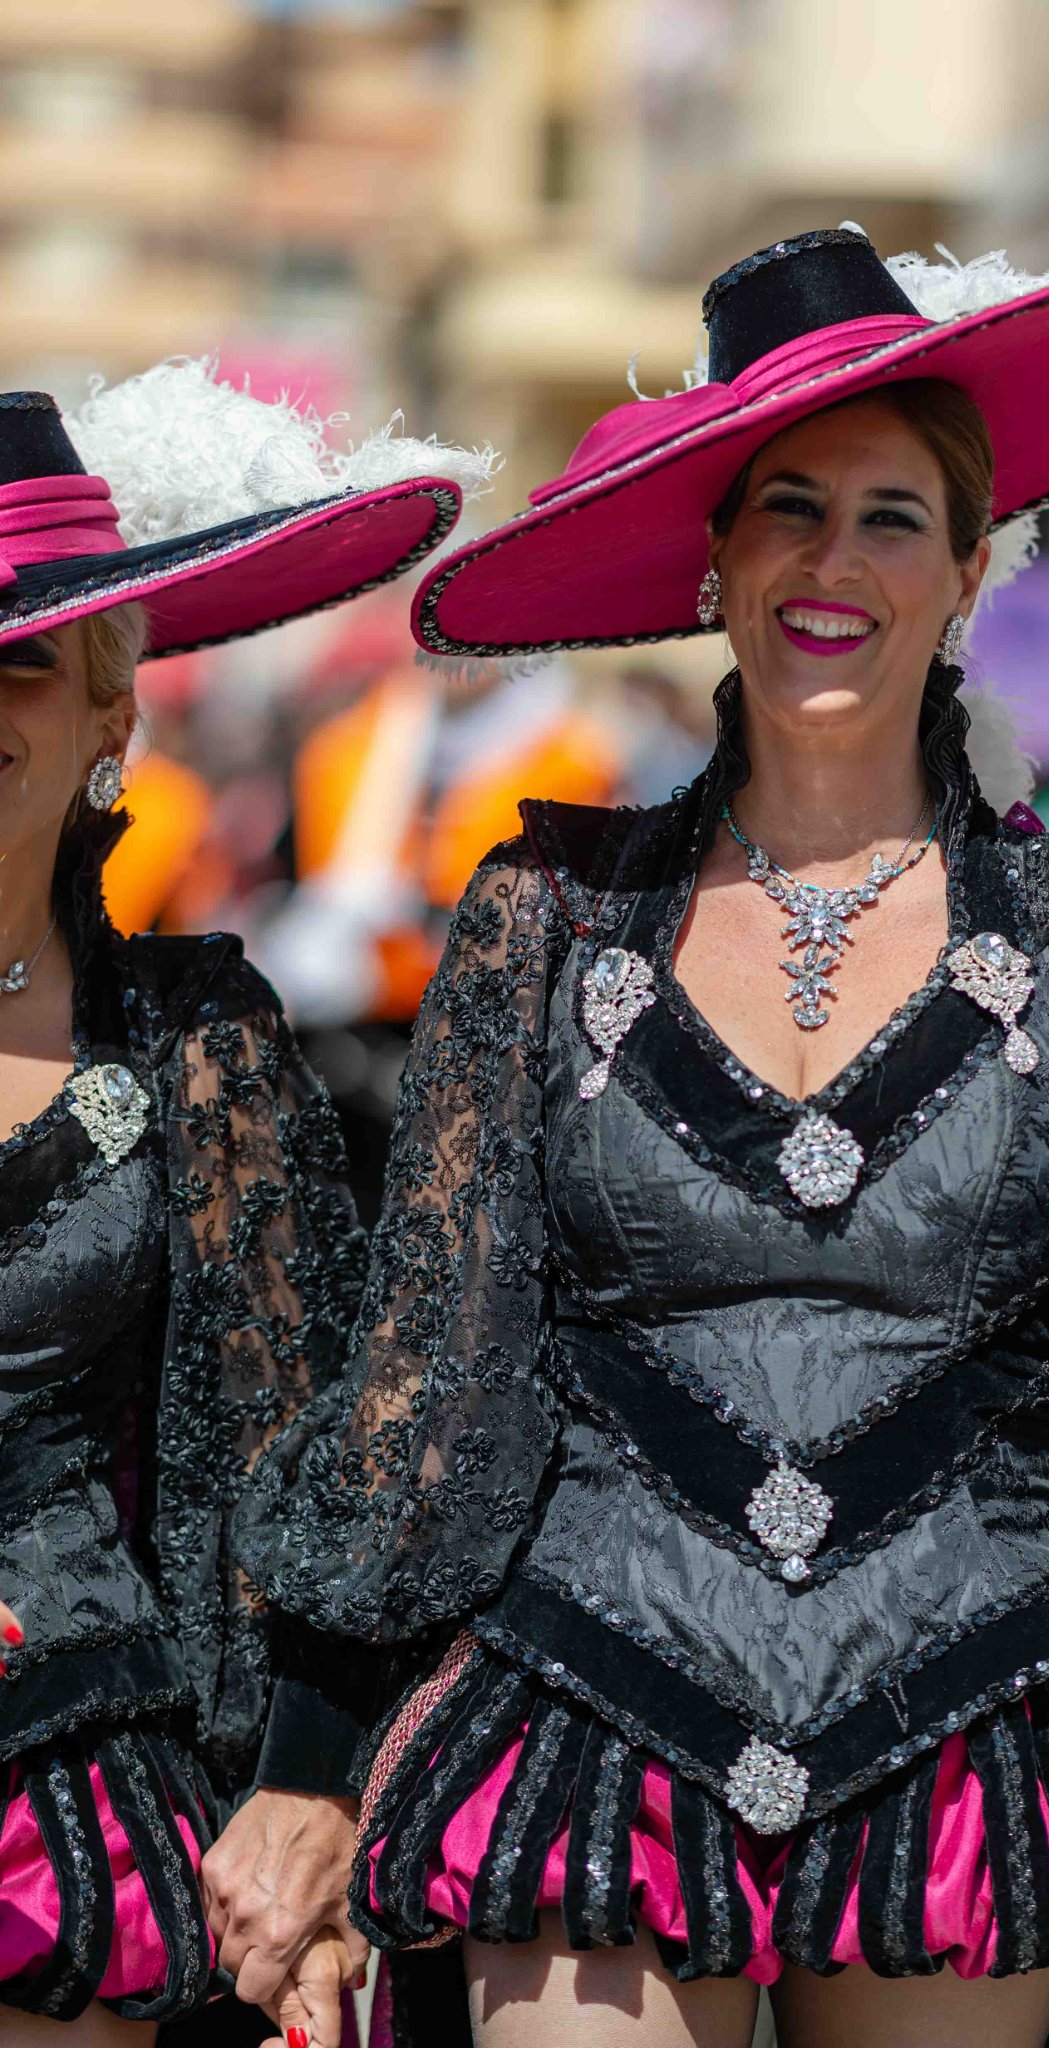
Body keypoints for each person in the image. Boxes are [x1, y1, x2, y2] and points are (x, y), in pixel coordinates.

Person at [226, 228, 1049, 2048]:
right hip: (589, 1706)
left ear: (969, 566)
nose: (835, 561)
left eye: (892, 516)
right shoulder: (546, 916)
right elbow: (433, 1375)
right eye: (789, 509)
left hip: (973, 1731)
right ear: (719, 558)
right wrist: (308, 1761)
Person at [0, 362, 486, 2041]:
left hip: (52, 1786)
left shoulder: (195, 1035)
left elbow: (305, 1447)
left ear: (108, 720)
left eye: (21, 659)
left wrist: (310, 1790)